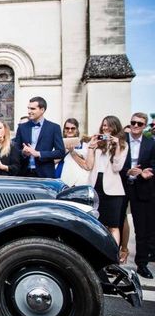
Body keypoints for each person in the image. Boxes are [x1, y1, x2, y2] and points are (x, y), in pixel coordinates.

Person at [120, 112, 155, 278]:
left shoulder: (151, 143)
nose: (135, 126)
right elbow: (113, 161)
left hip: (142, 187)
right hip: (120, 186)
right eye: (133, 122)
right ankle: (113, 262)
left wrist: (147, 172)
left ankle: (142, 264)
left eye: (139, 124)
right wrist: (127, 171)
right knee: (115, 224)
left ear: (144, 126)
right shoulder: (121, 140)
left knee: (143, 228)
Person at [85, 115, 128, 245]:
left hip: (113, 189)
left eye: (108, 125)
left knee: (113, 225)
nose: (105, 128)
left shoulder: (123, 144)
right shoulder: (97, 143)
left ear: (115, 127)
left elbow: (117, 167)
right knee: (95, 224)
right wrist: (91, 148)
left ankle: (113, 255)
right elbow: (89, 166)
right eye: (104, 125)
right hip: (95, 184)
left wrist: (117, 148)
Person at [13, 96, 65, 178]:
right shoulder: (22, 127)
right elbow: (15, 151)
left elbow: (61, 152)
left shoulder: (54, 128)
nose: (29, 111)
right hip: (24, 174)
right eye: (28, 108)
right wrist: (23, 153)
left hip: (45, 174)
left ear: (42, 110)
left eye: (33, 109)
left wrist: (38, 154)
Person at [55, 118, 89, 187]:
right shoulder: (57, 143)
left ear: (77, 130)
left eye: (72, 128)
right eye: (67, 128)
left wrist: (72, 152)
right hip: (59, 178)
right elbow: (52, 161)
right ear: (64, 130)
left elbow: (86, 165)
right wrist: (65, 149)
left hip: (77, 181)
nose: (70, 130)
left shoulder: (83, 145)